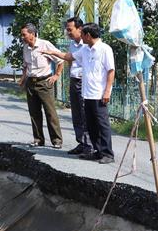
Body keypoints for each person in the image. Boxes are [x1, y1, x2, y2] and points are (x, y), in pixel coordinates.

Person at [41, 23, 115, 164]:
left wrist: (107, 92)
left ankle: (108, 153)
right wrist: (53, 52)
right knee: (91, 124)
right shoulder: (85, 50)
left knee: (102, 125)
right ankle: (97, 151)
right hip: (87, 93)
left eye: (82, 34)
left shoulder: (105, 49)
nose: (80, 37)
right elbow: (69, 56)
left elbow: (111, 71)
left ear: (87, 35)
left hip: (99, 94)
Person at [19, 23, 64, 148]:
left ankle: (56, 140)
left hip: (44, 82)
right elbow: (26, 65)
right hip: (31, 82)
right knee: (34, 112)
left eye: (24, 34)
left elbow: (60, 61)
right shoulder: (25, 47)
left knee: (50, 112)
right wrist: (23, 79)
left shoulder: (45, 44)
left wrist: (56, 75)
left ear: (32, 34)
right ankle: (38, 139)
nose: (22, 37)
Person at [64, 17, 92, 155]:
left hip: (84, 82)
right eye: (67, 29)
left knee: (84, 113)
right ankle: (81, 142)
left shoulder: (87, 44)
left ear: (79, 29)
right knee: (76, 113)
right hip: (74, 80)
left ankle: (88, 145)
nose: (68, 32)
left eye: (70, 29)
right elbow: (70, 62)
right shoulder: (72, 44)